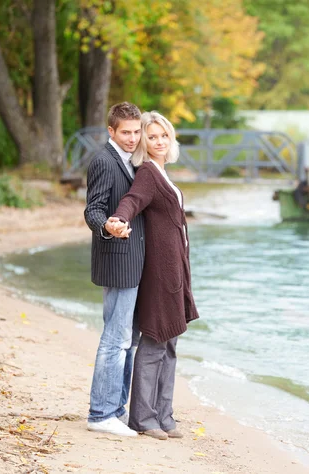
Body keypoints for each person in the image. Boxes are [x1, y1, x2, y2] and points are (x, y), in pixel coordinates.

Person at [109, 111, 199, 440]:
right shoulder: (147, 172)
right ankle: (143, 418)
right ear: (144, 142)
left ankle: (165, 415)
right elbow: (132, 200)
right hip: (160, 271)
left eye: (164, 136)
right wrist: (118, 219)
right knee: (155, 341)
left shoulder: (164, 171)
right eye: (152, 136)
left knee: (170, 343)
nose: (159, 142)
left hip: (177, 268)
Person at [83, 102, 145, 437]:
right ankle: (101, 414)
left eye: (137, 131)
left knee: (127, 339)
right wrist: (107, 226)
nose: (133, 138)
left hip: (132, 261)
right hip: (116, 259)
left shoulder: (133, 159)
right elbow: (92, 209)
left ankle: (116, 409)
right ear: (111, 131)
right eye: (126, 132)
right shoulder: (104, 161)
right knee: (115, 338)